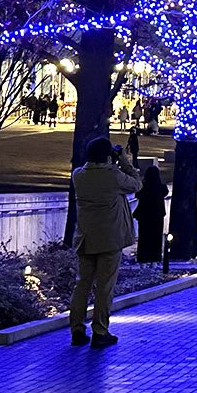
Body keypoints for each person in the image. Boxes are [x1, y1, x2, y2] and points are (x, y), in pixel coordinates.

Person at [69, 138, 141, 348]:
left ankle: (77, 330)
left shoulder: (79, 176)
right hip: (110, 239)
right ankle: (100, 330)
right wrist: (124, 160)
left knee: (82, 285)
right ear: (107, 155)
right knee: (104, 287)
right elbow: (137, 183)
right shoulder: (112, 175)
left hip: (85, 238)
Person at [132, 164, 168, 264]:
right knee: (156, 238)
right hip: (157, 216)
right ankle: (155, 258)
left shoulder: (143, 187)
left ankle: (143, 257)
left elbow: (137, 194)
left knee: (144, 237)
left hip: (144, 216)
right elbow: (165, 192)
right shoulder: (161, 188)